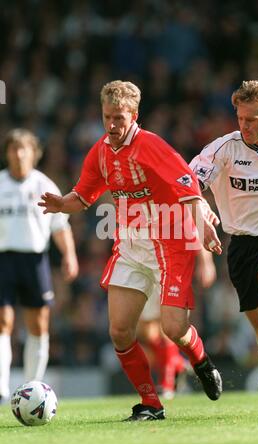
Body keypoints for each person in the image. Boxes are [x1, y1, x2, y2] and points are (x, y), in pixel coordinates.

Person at [38, 80, 223, 421]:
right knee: (120, 331)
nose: (112, 125)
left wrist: (205, 224)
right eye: (107, 117)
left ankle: (199, 359)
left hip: (171, 242)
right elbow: (84, 195)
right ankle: (151, 403)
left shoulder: (152, 146)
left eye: (119, 119)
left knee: (172, 329)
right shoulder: (100, 152)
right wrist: (63, 203)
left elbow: (188, 185)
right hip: (130, 245)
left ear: (134, 116)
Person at [190, 79, 258, 413]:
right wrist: (203, 221)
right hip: (240, 244)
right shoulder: (224, 148)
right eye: (240, 118)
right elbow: (189, 184)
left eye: (252, 119)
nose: (244, 126)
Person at [0, 129, 79, 403]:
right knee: (4, 322)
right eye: (13, 148)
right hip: (4, 260)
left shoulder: (44, 185)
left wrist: (69, 255)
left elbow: (60, 226)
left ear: (34, 153)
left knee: (39, 325)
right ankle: (0, 389)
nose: (19, 154)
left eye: (24, 149)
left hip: (35, 260)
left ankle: (32, 389)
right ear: (7, 153)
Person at [137, 248, 217, 400]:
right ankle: (177, 363)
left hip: (171, 262)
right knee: (144, 331)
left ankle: (166, 384)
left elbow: (195, 225)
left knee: (168, 324)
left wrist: (205, 260)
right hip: (142, 262)